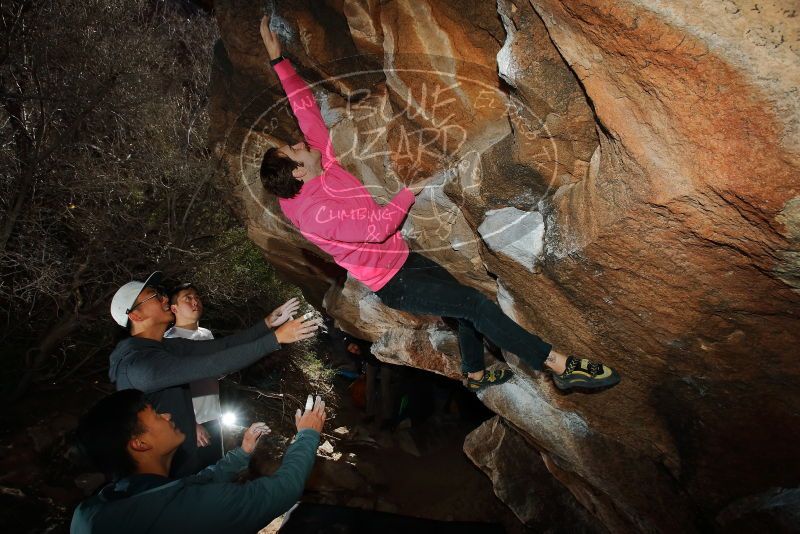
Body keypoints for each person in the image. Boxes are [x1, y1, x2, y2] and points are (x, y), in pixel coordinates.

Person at [257, 16, 619, 393]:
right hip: (393, 282)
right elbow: (379, 227)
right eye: (293, 148)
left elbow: (305, 109)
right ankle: (558, 364)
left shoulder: (320, 163)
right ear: (298, 172)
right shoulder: (316, 214)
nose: (300, 142)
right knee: (474, 306)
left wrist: (277, 60)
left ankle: (476, 374)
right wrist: (408, 191)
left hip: (404, 259)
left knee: (464, 307)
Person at [108, 271, 318, 477]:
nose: (164, 298)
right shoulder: (138, 364)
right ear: (135, 315)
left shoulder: (164, 347)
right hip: (168, 468)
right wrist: (275, 339)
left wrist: (267, 324)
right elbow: (212, 364)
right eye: (155, 296)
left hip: (184, 449)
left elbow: (220, 348)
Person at [70, 389, 326, 533]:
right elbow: (283, 490)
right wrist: (307, 434)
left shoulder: (94, 508)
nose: (168, 415)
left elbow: (195, 484)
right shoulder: (192, 511)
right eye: (157, 416)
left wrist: (242, 452)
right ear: (139, 444)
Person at [164, 282, 301, 469]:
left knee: (215, 468)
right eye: (187, 298)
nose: (195, 301)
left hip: (212, 414)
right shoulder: (171, 341)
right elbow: (170, 389)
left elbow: (218, 364)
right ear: (174, 308)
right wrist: (189, 424)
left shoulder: (205, 334)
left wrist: (268, 323)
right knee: (194, 475)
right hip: (191, 422)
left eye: (196, 296)